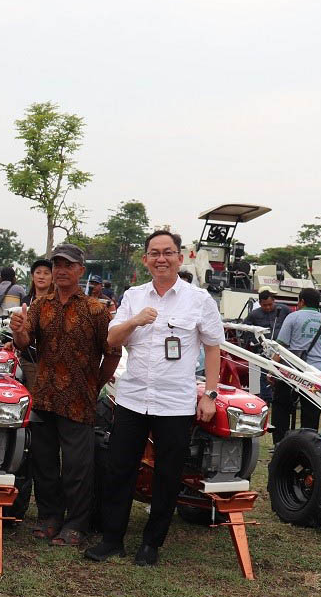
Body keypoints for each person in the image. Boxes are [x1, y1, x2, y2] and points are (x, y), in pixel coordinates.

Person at [87, 230, 224, 567]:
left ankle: (151, 544)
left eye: (168, 252)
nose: (161, 258)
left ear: (181, 257)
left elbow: (212, 348)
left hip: (175, 402)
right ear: (145, 259)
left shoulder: (198, 300)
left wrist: (209, 394)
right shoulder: (134, 296)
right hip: (133, 398)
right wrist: (135, 319)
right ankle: (112, 539)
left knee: (168, 473)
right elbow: (112, 338)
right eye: (154, 253)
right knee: (120, 469)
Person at [9, 245, 120, 547]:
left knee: (76, 467)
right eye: (57, 264)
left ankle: (77, 524)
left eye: (68, 265)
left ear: (81, 270)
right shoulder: (40, 305)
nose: (60, 270)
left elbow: (112, 352)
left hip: (79, 399)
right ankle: (49, 518)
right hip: (44, 396)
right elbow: (23, 343)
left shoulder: (96, 310)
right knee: (44, 463)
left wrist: (96, 384)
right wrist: (17, 329)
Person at [272, 288, 321, 442]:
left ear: (301, 301)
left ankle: (280, 443)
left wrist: (272, 370)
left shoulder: (293, 317)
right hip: (317, 373)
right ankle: (308, 445)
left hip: (293, 371)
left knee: (281, 406)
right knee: (311, 413)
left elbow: (280, 347)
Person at [243, 290, 292, 400]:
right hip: (264, 349)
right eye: (265, 305)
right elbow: (245, 329)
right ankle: (266, 399)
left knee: (284, 373)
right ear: (260, 303)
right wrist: (255, 343)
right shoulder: (254, 314)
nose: (268, 307)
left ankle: (283, 398)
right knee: (265, 374)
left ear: (274, 301)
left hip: (282, 349)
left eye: (270, 304)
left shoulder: (284, 310)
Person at [17, 258, 53, 387]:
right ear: (32, 276)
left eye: (46, 273)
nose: (41, 276)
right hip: (30, 360)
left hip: (53, 361)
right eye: (38, 272)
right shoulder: (26, 301)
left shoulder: (58, 302)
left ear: (52, 277)